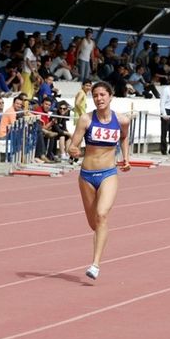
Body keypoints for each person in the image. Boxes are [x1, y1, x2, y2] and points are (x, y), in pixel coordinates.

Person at [68, 81, 131, 280]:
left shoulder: (122, 120)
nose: (99, 98)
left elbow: (123, 138)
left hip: (109, 173)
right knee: (94, 223)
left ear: (110, 96)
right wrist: (73, 150)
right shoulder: (86, 120)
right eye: (95, 95)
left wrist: (126, 158)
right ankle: (100, 239)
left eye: (103, 94)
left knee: (102, 215)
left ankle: (95, 264)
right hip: (86, 176)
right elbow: (73, 144)